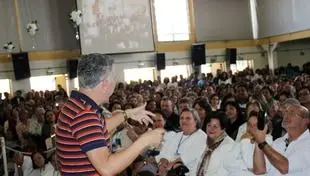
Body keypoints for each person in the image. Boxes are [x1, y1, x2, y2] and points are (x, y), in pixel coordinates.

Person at [56, 54, 164, 176]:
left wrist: (128, 113)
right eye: (114, 78)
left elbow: (100, 127)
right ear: (104, 83)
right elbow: (107, 168)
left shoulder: (77, 105)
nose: (115, 83)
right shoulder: (84, 115)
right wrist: (144, 140)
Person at [249, 100, 310, 175]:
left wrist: (262, 142)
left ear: (305, 121)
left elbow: (285, 167)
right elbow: (259, 170)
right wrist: (258, 142)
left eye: (292, 113)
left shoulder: (308, 142)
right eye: (286, 112)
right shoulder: (278, 142)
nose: (286, 115)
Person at [156, 108, 206, 176]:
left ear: (196, 121)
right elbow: (167, 152)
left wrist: (168, 167)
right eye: (181, 118)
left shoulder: (202, 136)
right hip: (171, 170)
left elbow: (188, 157)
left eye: (188, 118)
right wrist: (163, 163)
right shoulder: (178, 135)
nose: (184, 121)